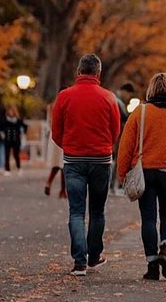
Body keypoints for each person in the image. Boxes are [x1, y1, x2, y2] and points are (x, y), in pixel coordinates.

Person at [116, 71, 166, 281]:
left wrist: (122, 173)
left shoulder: (140, 113)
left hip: (146, 170)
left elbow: (125, 146)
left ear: (152, 89)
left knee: (148, 218)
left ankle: (152, 265)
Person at [51, 53, 121, 276]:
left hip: (74, 160)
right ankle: (94, 257)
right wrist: (103, 146)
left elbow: (56, 131)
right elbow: (115, 132)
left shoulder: (64, 97)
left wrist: (69, 146)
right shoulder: (109, 98)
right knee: (98, 211)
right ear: (98, 73)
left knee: (76, 212)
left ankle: (79, 261)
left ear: (78, 72)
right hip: (101, 159)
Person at [110, 82, 134, 194]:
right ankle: (112, 186)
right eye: (128, 94)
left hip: (112, 134)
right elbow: (125, 118)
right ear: (125, 91)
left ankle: (112, 185)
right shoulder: (118, 101)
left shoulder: (113, 97)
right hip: (115, 135)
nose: (128, 97)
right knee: (116, 161)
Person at [44, 101, 66, 198]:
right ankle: (62, 190)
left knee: (57, 163)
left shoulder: (51, 106)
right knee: (63, 164)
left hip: (54, 136)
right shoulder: (63, 105)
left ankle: (49, 182)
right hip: (64, 135)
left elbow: (49, 123)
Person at [2, 105, 26, 174]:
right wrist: (2, 134)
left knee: (16, 155)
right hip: (7, 139)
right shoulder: (5, 119)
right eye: (9, 111)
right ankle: (7, 170)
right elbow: (1, 127)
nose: (11, 112)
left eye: (12, 111)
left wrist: (22, 133)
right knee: (7, 155)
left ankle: (19, 168)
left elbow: (24, 127)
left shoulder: (18, 120)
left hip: (16, 140)